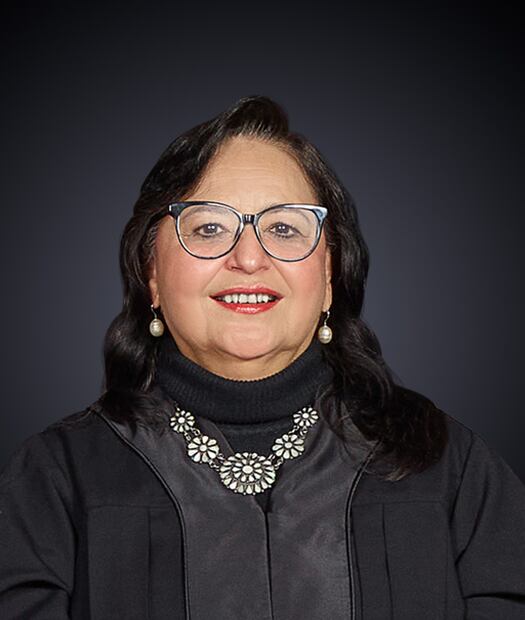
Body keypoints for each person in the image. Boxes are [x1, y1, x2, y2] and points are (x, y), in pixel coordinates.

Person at [1, 95, 524, 620]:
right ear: (151, 273)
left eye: (284, 228)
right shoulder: (54, 480)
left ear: (328, 276)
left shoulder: (451, 470)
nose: (249, 258)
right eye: (209, 228)